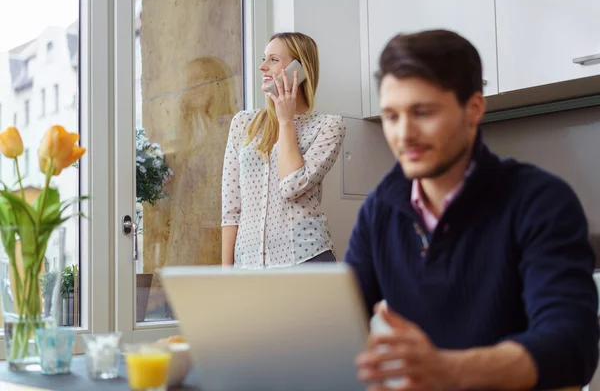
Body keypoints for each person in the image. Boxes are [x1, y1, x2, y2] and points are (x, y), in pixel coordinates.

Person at [345, 29, 599, 390]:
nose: (404, 134)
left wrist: (447, 370)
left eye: (422, 112)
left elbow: (571, 345)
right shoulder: (379, 210)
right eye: (391, 116)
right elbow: (338, 323)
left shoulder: (541, 202)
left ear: (474, 109)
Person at [221, 32, 346, 269]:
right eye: (263, 58)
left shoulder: (328, 126)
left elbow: (291, 186)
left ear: (299, 69)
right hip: (247, 264)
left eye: (273, 60)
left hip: (306, 259)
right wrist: (226, 273)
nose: (262, 66)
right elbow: (231, 208)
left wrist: (286, 121)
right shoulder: (243, 123)